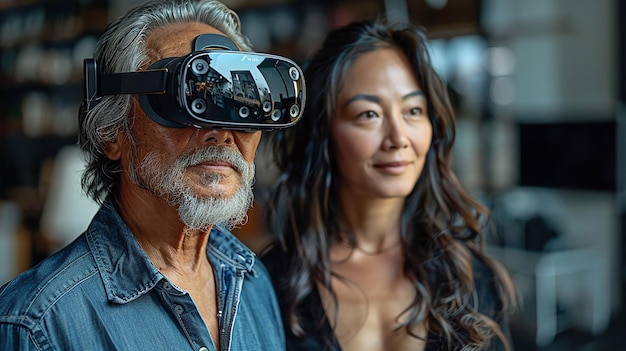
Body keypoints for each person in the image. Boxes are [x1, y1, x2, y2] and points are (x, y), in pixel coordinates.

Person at [0, 0, 294, 350]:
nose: (220, 131)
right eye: (184, 99)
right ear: (112, 133)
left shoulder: (255, 283)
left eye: (242, 105)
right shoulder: (38, 322)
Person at [262, 18, 518, 351]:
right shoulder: (270, 285)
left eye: (413, 110)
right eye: (369, 114)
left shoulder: (471, 278)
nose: (399, 138)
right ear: (323, 133)